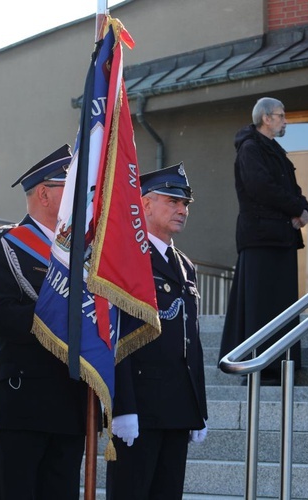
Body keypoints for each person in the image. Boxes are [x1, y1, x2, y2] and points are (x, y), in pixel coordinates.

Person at [0, 145, 88, 499]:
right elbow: (0, 316)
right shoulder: (6, 245)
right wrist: (64, 314)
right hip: (21, 401)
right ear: (44, 192)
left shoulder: (81, 254)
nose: (81, 196)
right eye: (71, 187)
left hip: (71, 400)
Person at [106, 163, 208, 500]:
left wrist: (198, 408)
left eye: (185, 204)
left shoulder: (185, 264)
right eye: (172, 201)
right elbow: (115, 334)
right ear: (145, 204)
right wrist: (122, 406)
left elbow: (190, 340)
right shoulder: (125, 258)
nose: (182, 210)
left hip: (177, 407)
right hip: (140, 407)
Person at [218, 97, 308, 385]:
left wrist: (302, 207)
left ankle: (282, 365)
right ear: (266, 118)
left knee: (281, 304)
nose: (285, 121)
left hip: (278, 237)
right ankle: (262, 367)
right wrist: (296, 209)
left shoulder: (274, 151)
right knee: (262, 305)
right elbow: (261, 188)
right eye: (281, 116)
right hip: (261, 238)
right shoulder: (251, 148)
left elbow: (289, 187)